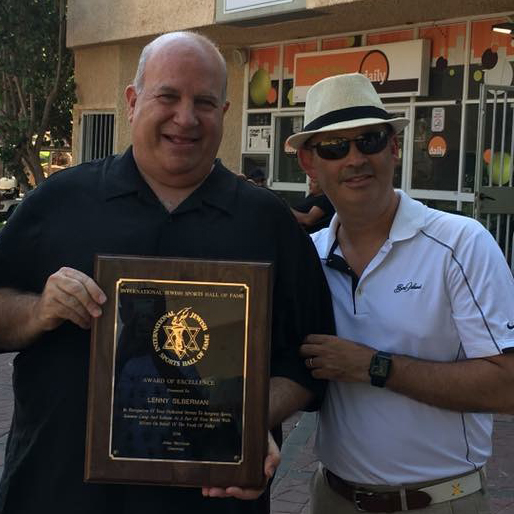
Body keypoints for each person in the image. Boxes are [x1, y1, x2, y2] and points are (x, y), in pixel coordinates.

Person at [0, 32, 334, 514]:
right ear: (133, 102)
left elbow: (308, 362)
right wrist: (38, 311)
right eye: (168, 96)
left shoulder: (267, 222)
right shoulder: (57, 203)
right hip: (58, 494)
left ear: (224, 112)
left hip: (210, 503)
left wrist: (243, 420)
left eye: (204, 102)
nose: (186, 118)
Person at [285, 72, 514, 514]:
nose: (355, 159)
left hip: (441, 502)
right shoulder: (306, 258)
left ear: (393, 147)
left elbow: (508, 386)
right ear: (310, 163)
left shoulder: (461, 243)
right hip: (333, 498)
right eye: (334, 147)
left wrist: (375, 366)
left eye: (369, 140)